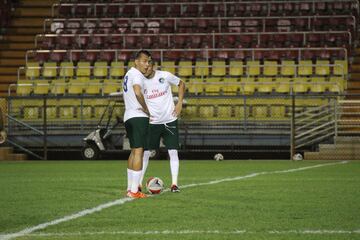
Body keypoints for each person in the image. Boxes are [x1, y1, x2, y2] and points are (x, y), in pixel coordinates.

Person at [140, 60, 186, 193]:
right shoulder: (140, 81)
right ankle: (138, 184)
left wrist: (180, 103)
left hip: (169, 121)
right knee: (146, 153)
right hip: (152, 123)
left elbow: (181, 83)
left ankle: (174, 184)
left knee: (173, 151)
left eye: (148, 67)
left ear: (152, 66)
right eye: (144, 68)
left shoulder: (164, 75)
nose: (145, 70)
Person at [123, 50, 152, 199]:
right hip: (138, 116)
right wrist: (147, 109)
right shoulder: (136, 75)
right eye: (144, 61)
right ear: (136, 61)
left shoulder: (128, 74)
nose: (147, 64)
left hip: (128, 116)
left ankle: (129, 188)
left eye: (148, 61)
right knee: (139, 151)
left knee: (134, 151)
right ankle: (135, 191)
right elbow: (137, 92)